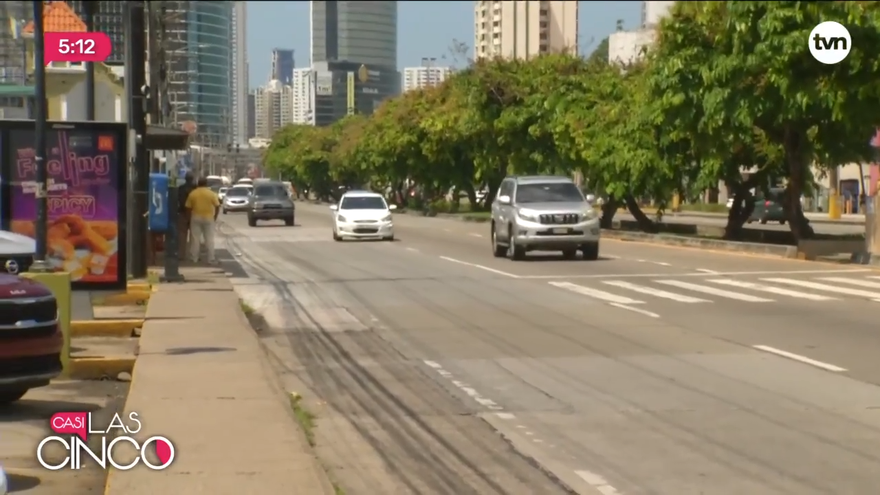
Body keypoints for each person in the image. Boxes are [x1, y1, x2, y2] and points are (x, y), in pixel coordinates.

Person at [184, 177, 220, 264]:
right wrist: (215, 216)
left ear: (198, 184)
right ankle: (211, 258)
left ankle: (194, 258)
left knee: (195, 238)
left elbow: (188, 207)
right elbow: (217, 205)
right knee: (209, 239)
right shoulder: (211, 194)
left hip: (196, 217)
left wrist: (189, 218)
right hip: (208, 218)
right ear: (206, 184)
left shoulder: (193, 193)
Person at [177, 172, 195, 260]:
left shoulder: (180, 188)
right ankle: (193, 255)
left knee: (182, 235)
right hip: (193, 213)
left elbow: (177, 200)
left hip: (182, 213)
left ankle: (181, 254)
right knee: (194, 235)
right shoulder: (195, 188)